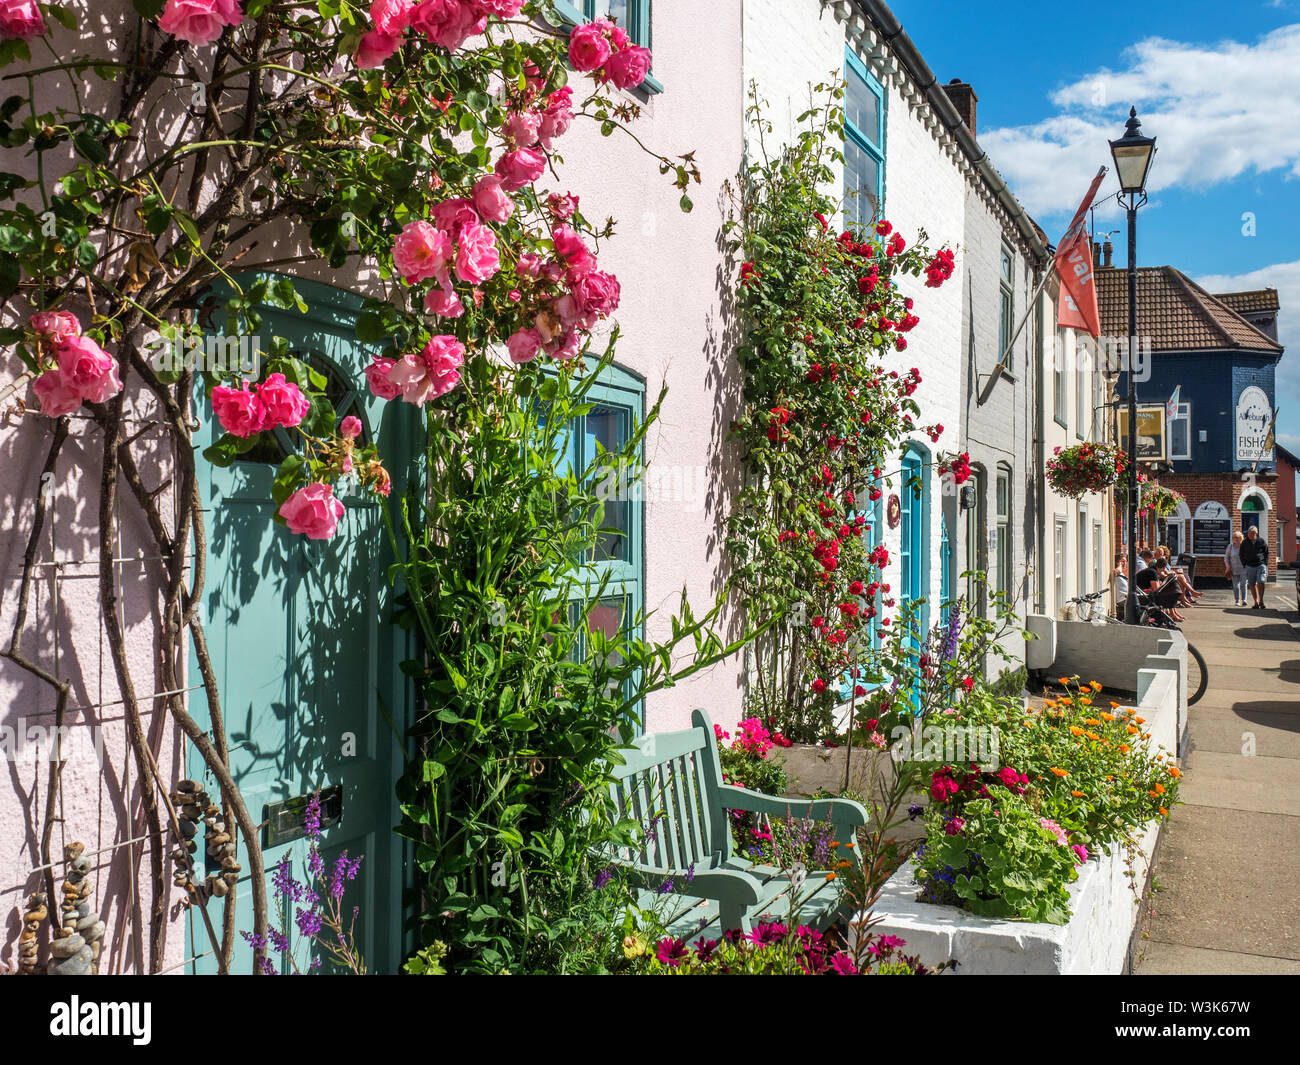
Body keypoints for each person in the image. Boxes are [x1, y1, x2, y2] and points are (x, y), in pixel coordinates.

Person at [1239, 525, 1269, 609]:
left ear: (1256, 533)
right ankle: (1256, 602)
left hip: (1260, 564)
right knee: (1252, 584)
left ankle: (1261, 601)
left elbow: (1266, 553)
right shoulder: (1244, 542)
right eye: (1249, 533)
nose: (1250, 535)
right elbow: (1241, 554)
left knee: (1261, 581)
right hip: (1250, 565)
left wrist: (1265, 563)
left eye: (1252, 533)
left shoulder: (1261, 541)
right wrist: (1244, 564)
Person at [1225, 531, 1247, 606]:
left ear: (1241, 538)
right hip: (1234, 569)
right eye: (1235, 538)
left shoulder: (1244, 546)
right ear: (1233, 539)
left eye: (1239, 538)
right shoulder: (1230, 546)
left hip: (1244, 569)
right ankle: (1237, 600)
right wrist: (1228, 567)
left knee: (1243, 584)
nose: (1237, 539)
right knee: (1236, 586)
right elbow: (1226, 558)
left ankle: (1244, 599)